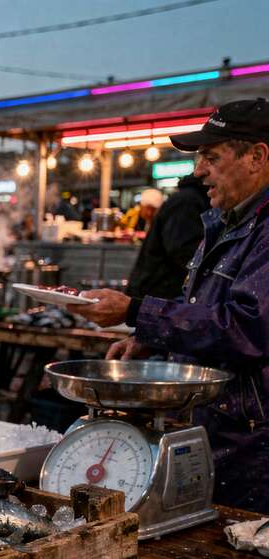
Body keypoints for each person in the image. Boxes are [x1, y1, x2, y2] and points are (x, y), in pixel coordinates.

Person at [70, 99, 269, 512]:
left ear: (257, 156)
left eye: (211, 158)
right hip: (216, 429)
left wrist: (134, 312)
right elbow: (202, 304)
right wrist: (151, 339)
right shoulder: (226, 221)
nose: (199, 172)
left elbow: (246, 328)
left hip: (255, 447)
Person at [125, 175, 210, 301]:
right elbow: (182, 249)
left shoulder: (189, 199)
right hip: (158, 292)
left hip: (158, 290)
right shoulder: (187, 202)